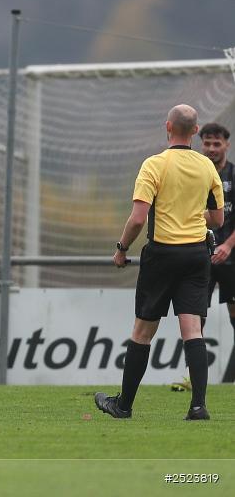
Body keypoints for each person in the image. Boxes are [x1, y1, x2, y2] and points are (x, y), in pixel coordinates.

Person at [95, 105, 222, 421]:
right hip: (196, 255)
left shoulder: (154, 165)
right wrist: (192, 217)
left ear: (168, 127)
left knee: (142, 331)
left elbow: (138, 218)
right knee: (192, 329)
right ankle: (198, 406)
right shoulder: (207, 167)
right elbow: (218, 219)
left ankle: (123, 406)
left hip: (162, 255)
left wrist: (122, 248)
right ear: (195, 131)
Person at [200, 123, 235, 365]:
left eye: (216, 144)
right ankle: (191, 375)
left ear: (226, 145)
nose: (211, 148)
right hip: (200, 255)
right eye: (207, 143)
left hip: (231, 257)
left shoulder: (233, 175)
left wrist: (228, 245)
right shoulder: (195, 173)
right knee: (195, 314)